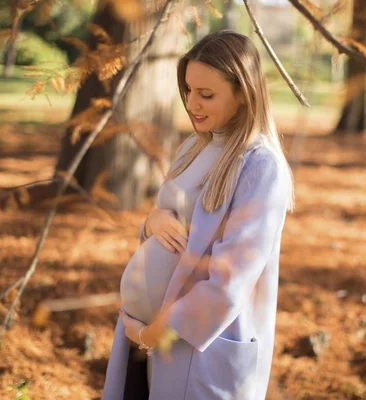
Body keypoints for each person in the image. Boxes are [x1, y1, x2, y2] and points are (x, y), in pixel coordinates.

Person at [102, 30, 294, 400]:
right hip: (142, 336)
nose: (193, 104)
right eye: (188, 90)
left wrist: (158, 332)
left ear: (244, 93)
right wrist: (151, 222)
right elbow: (168, 230)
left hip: (191, 345)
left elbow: (230, 281)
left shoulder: (259, 166)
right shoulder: (193, 146)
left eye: (207, 95)